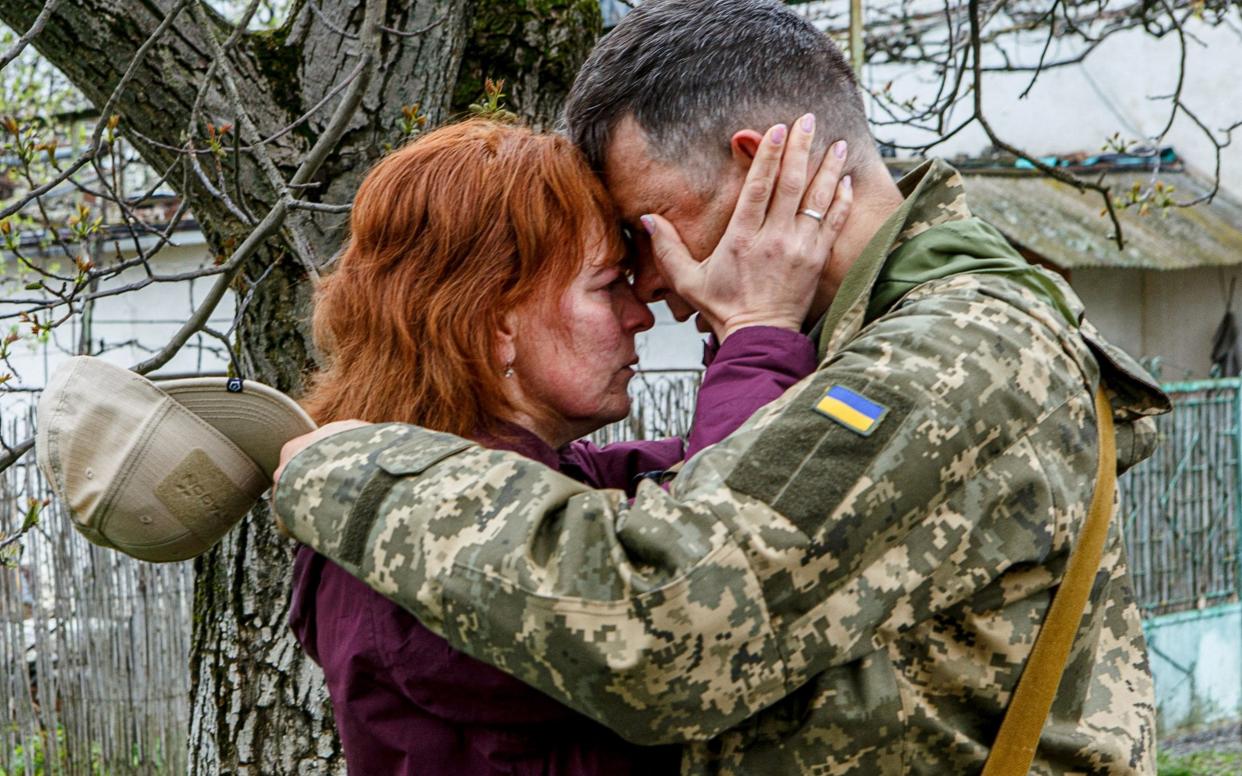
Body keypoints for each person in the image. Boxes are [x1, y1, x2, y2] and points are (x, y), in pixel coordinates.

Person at [273, 1, 1171, 773]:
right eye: (617, 267)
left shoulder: (949, 353)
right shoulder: (878, 349)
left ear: (754, 168)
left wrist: (350, 471)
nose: (654, 290)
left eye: (648, 229)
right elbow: (660, 501)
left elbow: (669, 620)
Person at [286, 116, 851, 775]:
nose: (641, 314)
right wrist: (756, 331)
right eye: (608, 284)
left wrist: (753, 337)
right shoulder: (428, 540)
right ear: (497, 324)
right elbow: (695, 605)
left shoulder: (516, 485)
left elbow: (705, 482)